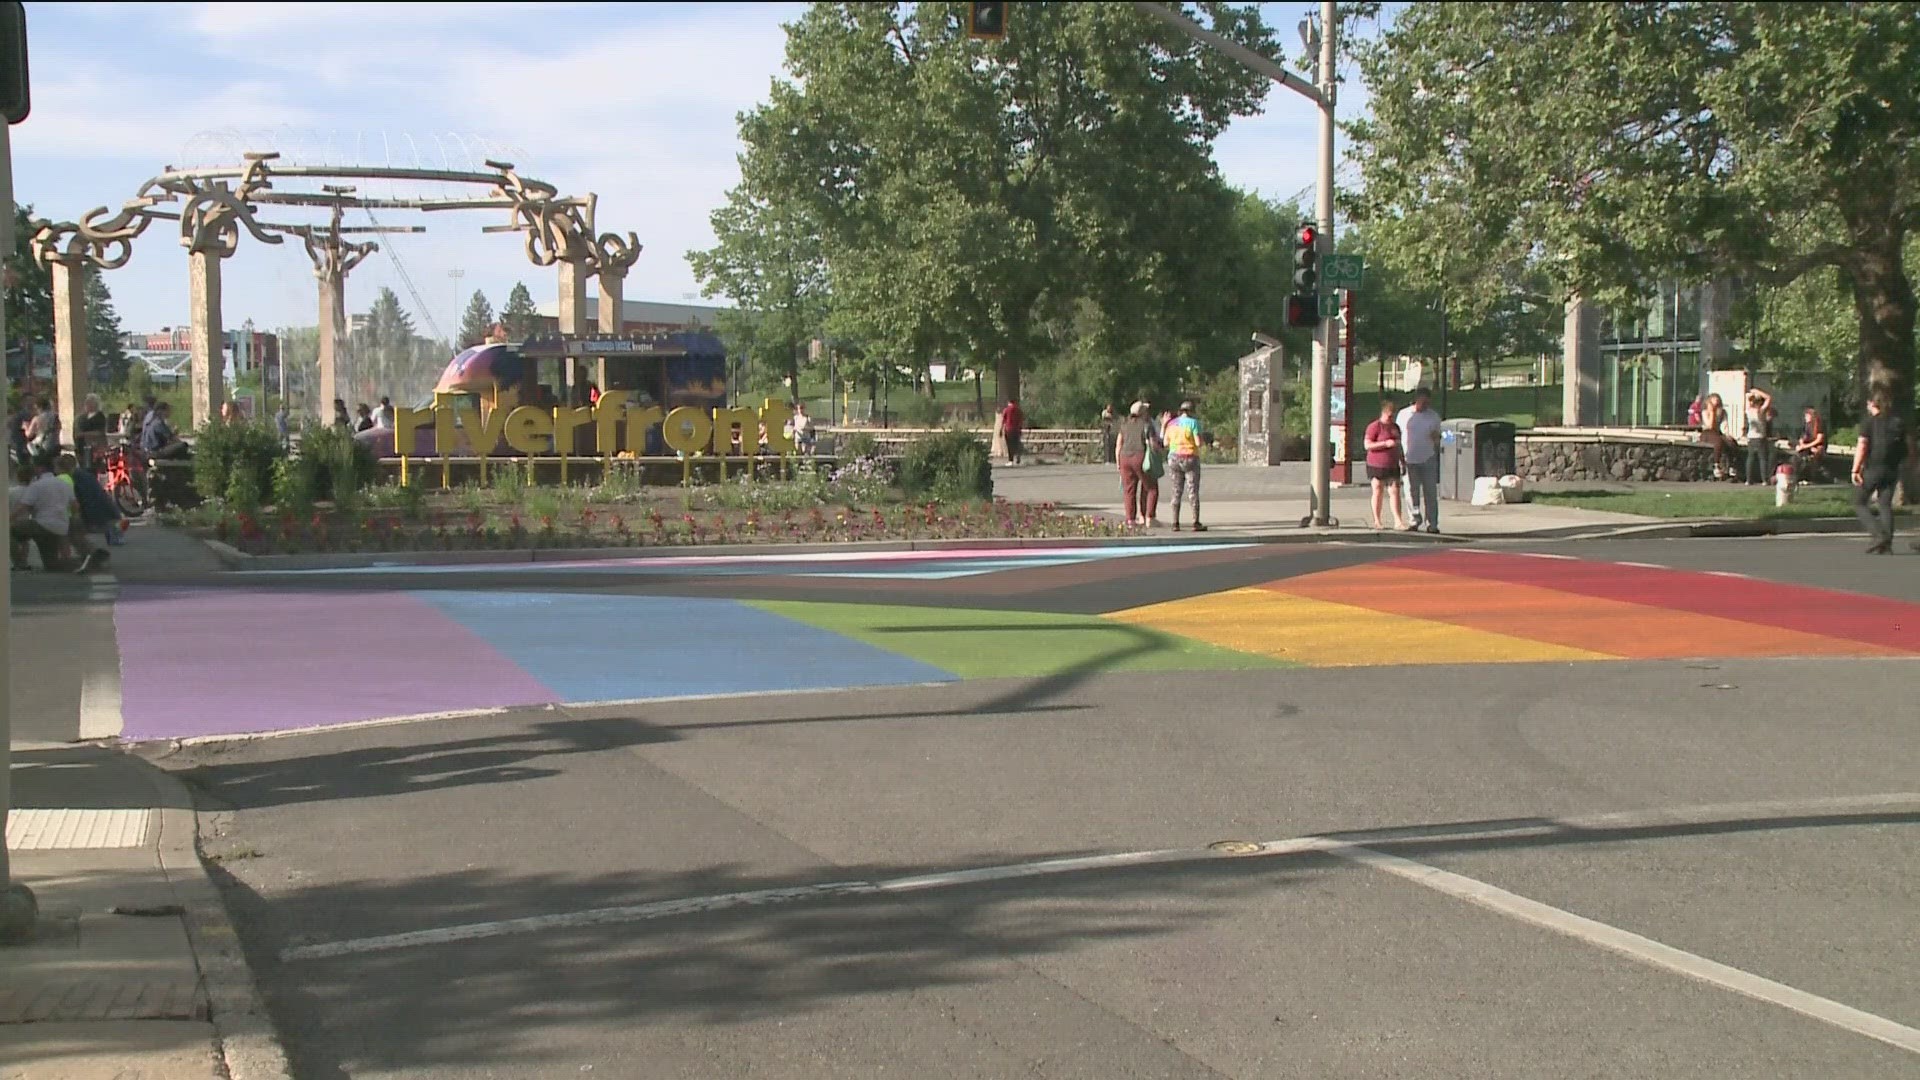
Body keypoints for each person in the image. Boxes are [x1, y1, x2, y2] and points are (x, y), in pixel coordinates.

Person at [1852, 392, 1908, 554]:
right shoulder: (1898, 423)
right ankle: (1887, 544)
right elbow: (1907, 447)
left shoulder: (1870, 423)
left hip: (1874, 467)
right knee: (1885, 504)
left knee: (1859, 501)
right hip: (1892, 468)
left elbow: (1862, 445)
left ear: (1871, 404)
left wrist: (1856, 468)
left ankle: (1878, 536)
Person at [53, 454, 113, 572]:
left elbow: (77, 498)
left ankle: (93, 555)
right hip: (88, 511)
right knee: (77, 538)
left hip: (79, 512)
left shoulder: (68, 478)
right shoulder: (81, 476)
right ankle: (92, 556)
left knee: (76, 538)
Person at [1395, 387, 1443, 534]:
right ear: (1416, 400)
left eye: (1427, 402)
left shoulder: (1433, 416)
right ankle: (1414, 520)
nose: (1425, 405)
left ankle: (1432, 524)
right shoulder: (1404, 415)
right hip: (1409, 459)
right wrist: (1399, 456)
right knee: (1411, 491)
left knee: (1430, 493)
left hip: (1428, 457)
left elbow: (1439, 437)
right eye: (1422, 402)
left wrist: (1437, 438)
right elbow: (1397, 435)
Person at [11, 462, 75, 571]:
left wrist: (8, 518)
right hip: (60, 528)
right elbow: (75, 505)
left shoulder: (37, 485)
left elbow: (23, 506)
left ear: (40, 469)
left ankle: (19, 563)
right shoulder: (65, 484)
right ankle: (77, 563)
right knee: (51, 564)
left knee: (10, 532)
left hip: (41, 525)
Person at [1363, 398, 1412, 531]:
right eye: (1389, 416)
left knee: (1394, 491)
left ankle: (1398, 520)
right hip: (1376, 463)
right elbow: (1367, 445)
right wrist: (1384, 444)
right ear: (1383, 414)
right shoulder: (1374, 427)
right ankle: (1377, 520)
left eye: (1393, 416)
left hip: (1392, 464)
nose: (1391, 419)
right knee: (1378, 489)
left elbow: (1399, 445)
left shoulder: (1395, 428)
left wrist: (1402, 461)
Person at [1114, 401, 1163, 527]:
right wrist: (1159, 450)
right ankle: (1149, 517)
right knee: (1151, 487)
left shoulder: (1124, 424)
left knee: (1129, 490)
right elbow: (1152, 443)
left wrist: (1118, 462)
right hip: (1140, 456)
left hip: (1125, 457)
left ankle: (1130, 520)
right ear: (1142, 413)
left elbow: (1119, 443)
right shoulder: (1146, 425)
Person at [1164, 400, 1206, 532]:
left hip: (1174, 458)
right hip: (1190, 458)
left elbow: (1165, 443)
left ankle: (1175, 522)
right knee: (1192, 491)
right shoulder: (1193, 423)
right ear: (1191, 411)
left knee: (1176, 491)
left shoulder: (1171, 424)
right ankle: (1195, 522)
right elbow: (1198, 443)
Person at [1743, 388, 1775, 485]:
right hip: (1760, 437)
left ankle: (1748, 479)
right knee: (1762, 458)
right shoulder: (1760, 412)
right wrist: (1757, 391)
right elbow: (1769, 398)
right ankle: (1764, 480)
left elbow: (1747, 398)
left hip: (1751, 437)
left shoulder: (1748, 411)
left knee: (1750, 458)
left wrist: (1751, 394)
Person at [1700, 393, 1735, 481]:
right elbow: (1710, 425)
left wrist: (1727, 434)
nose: (1716, 401)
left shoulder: (1722, 412)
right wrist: (1712, 412)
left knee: (1731, 442)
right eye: (1714, 400)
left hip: (1717, 432)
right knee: (1718, 442)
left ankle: (1732, 465)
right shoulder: (1705, 412)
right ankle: (1716, 465)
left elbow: (1724, 425)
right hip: (1707, 432)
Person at [1791, 406, 1827, 483]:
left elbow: (1819, 440)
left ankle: (1813, 476)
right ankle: (1798, 475)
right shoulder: (1807, 425)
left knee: (1816, 452)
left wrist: (1806, 446)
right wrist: (1801, 444)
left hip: (1818, 446)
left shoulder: (1819, 425)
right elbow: (1803, 437)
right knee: (1798, 453)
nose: (1805, 418)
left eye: (1807, 416)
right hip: (1809, 445)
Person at [75, 394, 109, 470]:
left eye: (89, 402)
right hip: (81, 448)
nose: (86, 404)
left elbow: (100, 432)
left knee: (92, 468)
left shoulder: (100, 417)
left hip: (94, 448)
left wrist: (84, 434)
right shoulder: (82, 417)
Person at [24, 396, 59, 468]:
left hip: (42, 445)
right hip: (55, 443)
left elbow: (29, 434)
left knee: (29, 445)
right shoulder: (55, 416)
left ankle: (35, 460)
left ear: (39, 407)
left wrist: (26, 427)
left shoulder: (37, 418)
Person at [999, 399, 1025, 465]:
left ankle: (1011, 460)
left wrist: (1000, 430)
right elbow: (1021, 420)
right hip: (1016, 430)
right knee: (1016, 444)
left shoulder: (1006, 410)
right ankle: (1018, 455)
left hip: (1008, 430)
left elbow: (1003, 420)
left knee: (1009, 445)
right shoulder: (1018, 410)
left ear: (1009, 402)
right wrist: (1020, 428)